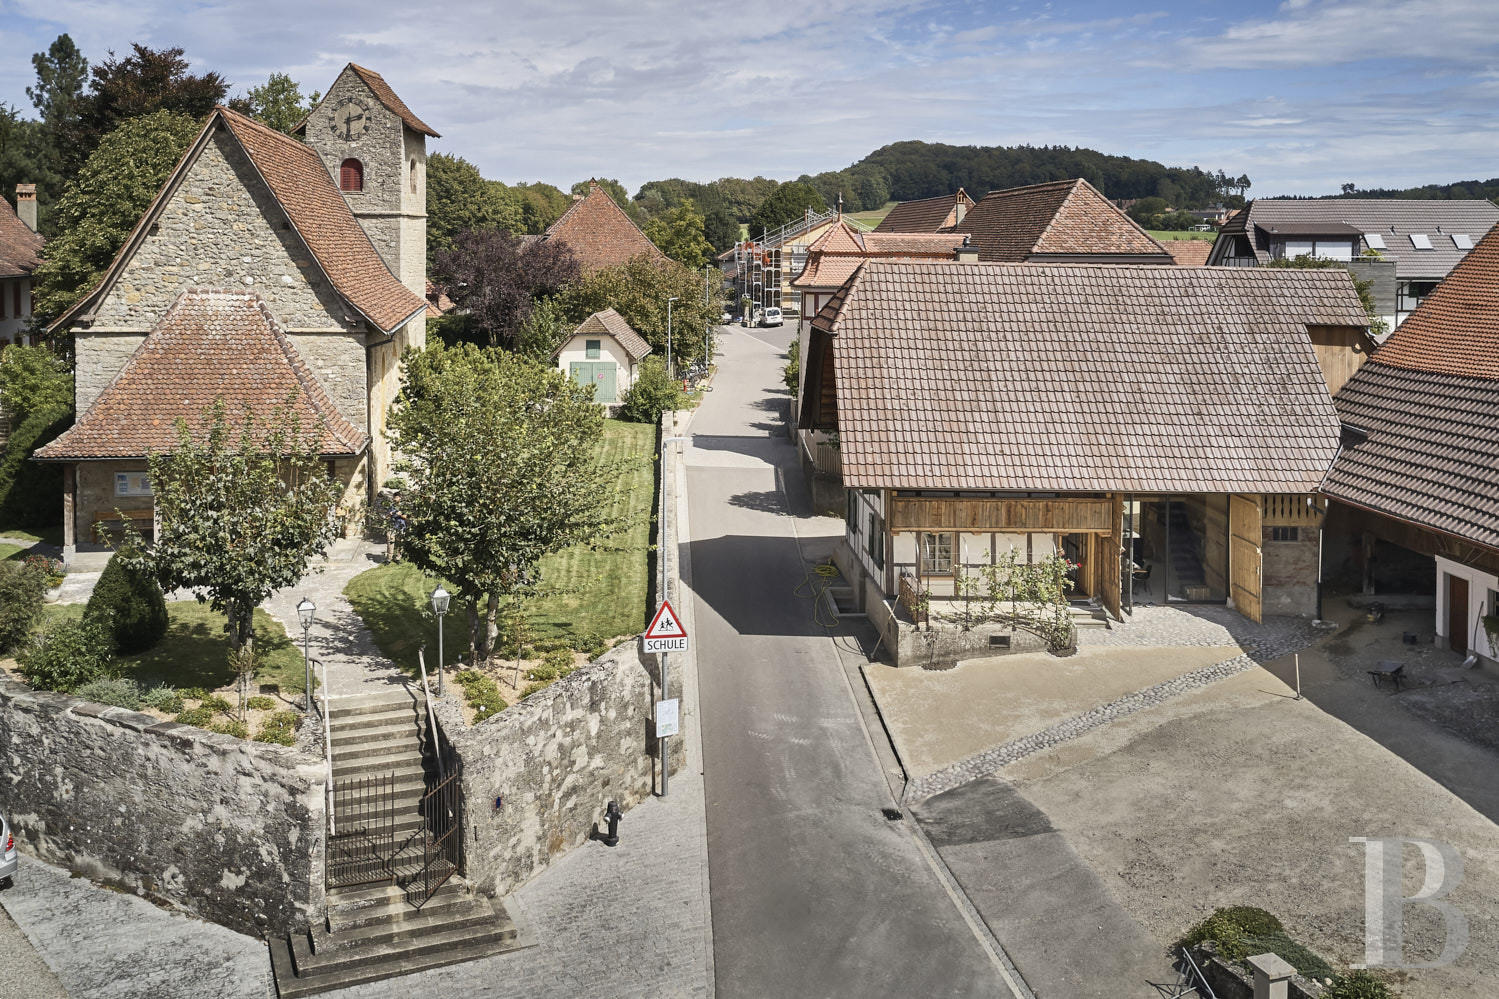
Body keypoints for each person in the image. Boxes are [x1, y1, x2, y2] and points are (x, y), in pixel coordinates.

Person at [386, 491, 408, 563]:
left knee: (400, 542)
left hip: (401, 526)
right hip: (392, 526)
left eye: (396, 497)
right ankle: (389, 558)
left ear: (400, 498)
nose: (395, 499)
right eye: (394, 497)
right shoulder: (391, 506)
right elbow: (387, 516)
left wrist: (400, 515)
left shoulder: (403, 506)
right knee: (390, 541)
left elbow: (406, 517)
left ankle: (397, 558)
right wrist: (389, 514)